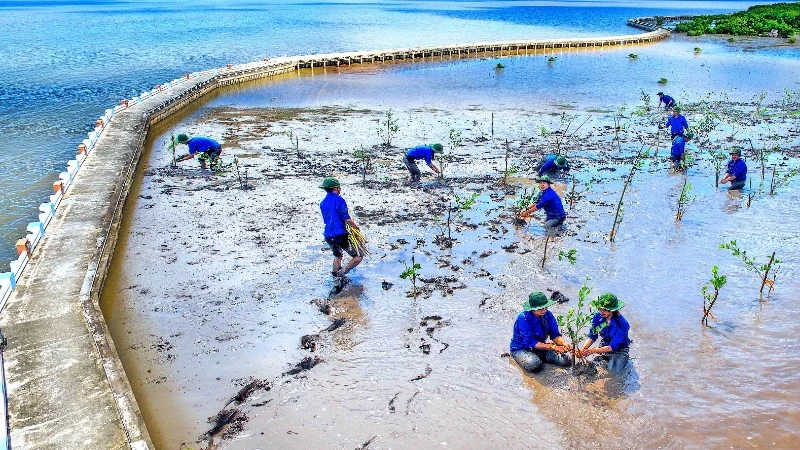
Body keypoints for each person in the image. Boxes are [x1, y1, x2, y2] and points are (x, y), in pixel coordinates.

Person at [510, 292, 573, 372]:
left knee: (566, 360)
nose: (544, 310)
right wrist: (553, 347)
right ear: (532, 309)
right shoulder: (524, 318)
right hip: (522, 348)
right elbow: (531, 342)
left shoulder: (548, 315)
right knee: (534, 364)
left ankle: (540, 356)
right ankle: (523, 357)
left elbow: (555, 335)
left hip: (541, 347)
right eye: (540, 308)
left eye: (545, 307)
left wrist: (564, 344)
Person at [319, 177, 363, 284]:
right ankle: (343, 272)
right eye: (339, 187)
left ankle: (336, 276)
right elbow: (346, 219)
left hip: (328, 235)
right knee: (358, 256)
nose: (340, 189)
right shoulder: (339, 200)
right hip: (340, 234)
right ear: (335, 188)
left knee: (338, 255)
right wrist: (356, 228)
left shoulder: (323, 203)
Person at [578, 293, 631, 375]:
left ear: (612, 310)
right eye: (600, 309)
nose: (601, 312)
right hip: (605, 344)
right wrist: (583, 349)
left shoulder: (622, 324)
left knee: (613, 372)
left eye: (605, 310)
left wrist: (592, 350)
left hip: (620, 349)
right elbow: (592, 336)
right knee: (595, 365)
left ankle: (624, 358)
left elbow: (612, 347)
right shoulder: (597, 316)